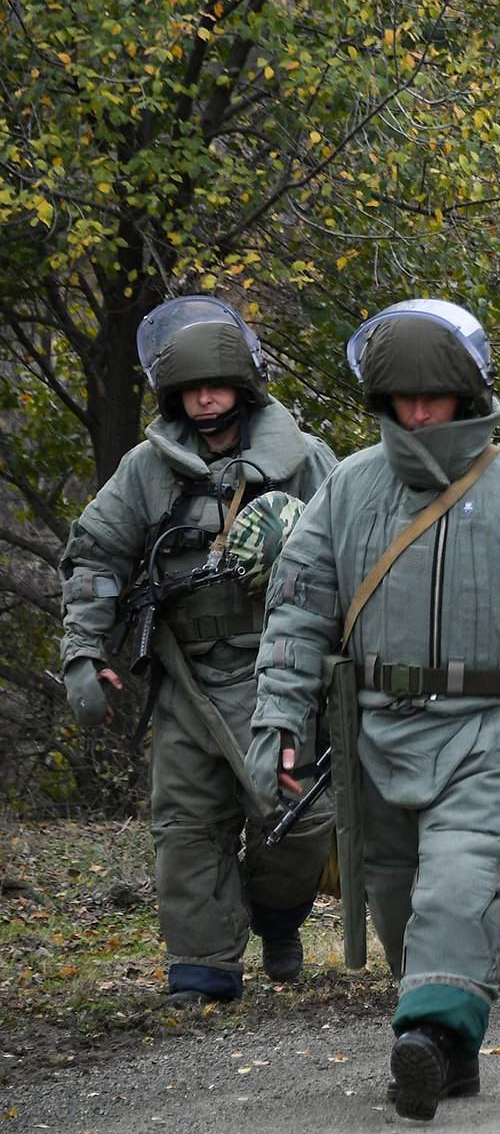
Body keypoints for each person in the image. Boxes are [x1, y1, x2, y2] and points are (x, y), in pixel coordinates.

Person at [246, 299, 500, 1121]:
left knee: (459, 883)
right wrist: (276, 723)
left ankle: (426, 1033)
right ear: (379, 400)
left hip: (490, 729)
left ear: (467, 393)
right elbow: (297, 610)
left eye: (434, 395)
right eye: (402, 397)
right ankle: (449, 1046)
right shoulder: (346, 488)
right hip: (373, 731)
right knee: (396, 895)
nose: (418, 412)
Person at [57, 295, 337, 1007]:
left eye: (216, 385)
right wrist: (83, 650)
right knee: (186, 821)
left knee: (298, 821)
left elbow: (356, 548)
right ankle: (204, 965)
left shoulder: (304, 461)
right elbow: (95, 554)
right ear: (174, 395)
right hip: (185, 673)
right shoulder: (146, 471)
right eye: (191, 388)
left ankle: (277, 918)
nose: (206, 400)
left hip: (283, 671)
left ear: (244, 388)